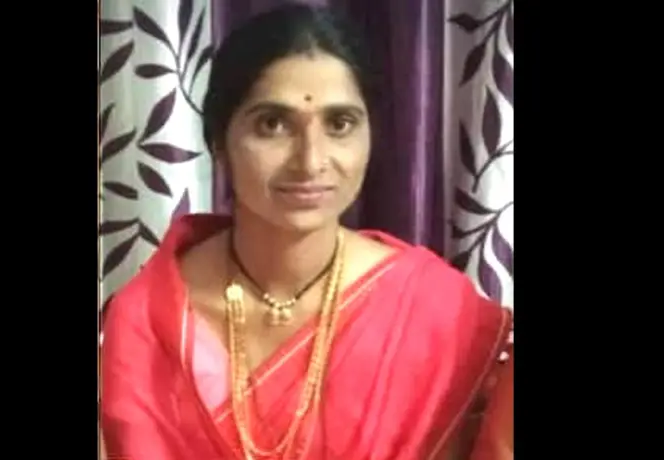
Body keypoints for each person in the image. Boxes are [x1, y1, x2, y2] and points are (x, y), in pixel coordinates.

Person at [100, 4, 513, 459]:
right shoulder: (150, 320)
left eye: (340, 124)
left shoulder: (434, 313)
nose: (311, 161)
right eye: (272, 124)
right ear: (218, 140)